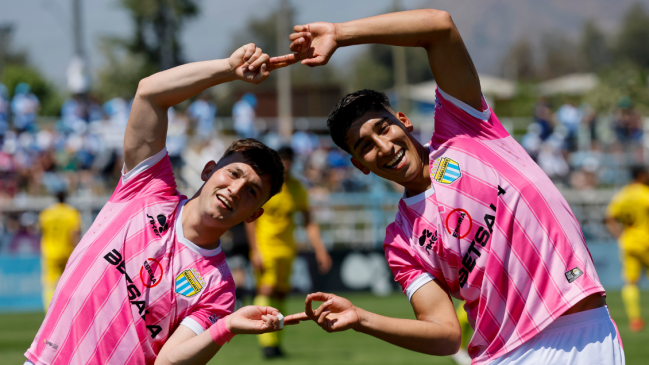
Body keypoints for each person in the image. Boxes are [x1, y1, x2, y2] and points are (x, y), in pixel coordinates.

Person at [276, 9, 623, 364]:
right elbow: (444, 335)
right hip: (503, 356)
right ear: (359, 166)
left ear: (403, 121)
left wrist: (339, 31)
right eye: (364, 146)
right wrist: (362, 319)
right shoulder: (401, 241)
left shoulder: (464, 129)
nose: (382, 147)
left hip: (585, 332)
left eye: (383, 129)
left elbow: (439, 27)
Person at [24, 43, 302, 365]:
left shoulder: (219, 287)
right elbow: (149, 94)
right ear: (208, 170)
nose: (236, 189)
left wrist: (225, 327)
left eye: (252, 191)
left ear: (255, 214)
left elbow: (167, 363)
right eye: (233, 173)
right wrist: (228, 68)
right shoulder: (149, 188)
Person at [245, 145, 332, 358]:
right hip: (266, 248)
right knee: (266, 290)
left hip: (287, 249)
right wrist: (255, 250)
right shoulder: (265, 185)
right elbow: (250, 220)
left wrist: (320, 250)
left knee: (281, 293)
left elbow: (309, 221)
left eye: (289, 159)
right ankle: (266, 343)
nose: (287, 164)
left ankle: (275, 342)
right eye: (282, 159)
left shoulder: (297, 188)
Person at [605, 166, 649, 332]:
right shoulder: (645, 193)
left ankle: (635, 320)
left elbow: (609, 218)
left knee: (631, 282)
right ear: (642, 175)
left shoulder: (622, 195)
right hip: (646, 241)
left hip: (628, 242)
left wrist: (620, 236)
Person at [39, 191, 81, 311]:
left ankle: (50, 311)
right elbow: (74, 234)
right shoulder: (72, 213)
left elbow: (41, 230)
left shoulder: (46, 213)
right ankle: (69, 308)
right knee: (69, 281)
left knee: (50, 283)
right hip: (67, 251)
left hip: (50, 252)